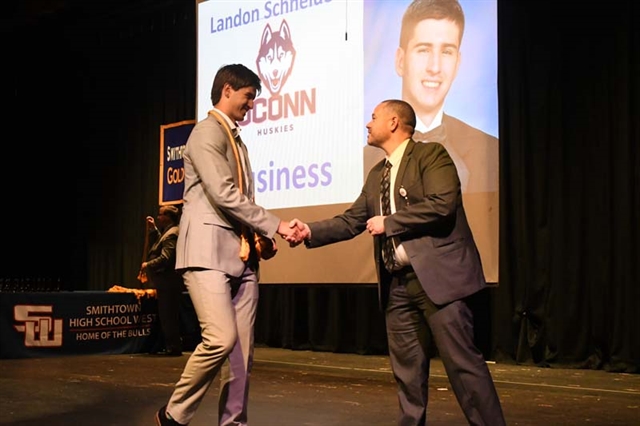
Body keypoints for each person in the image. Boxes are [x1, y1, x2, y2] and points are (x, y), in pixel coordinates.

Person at [289, 99, 505, 426]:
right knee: (407, 372)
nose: (367, 124)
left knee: (463, 365)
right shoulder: (378, 173)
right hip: (398, 286)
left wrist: (389, 222)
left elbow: (442, 204)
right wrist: (309, 231)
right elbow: (352, 220)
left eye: (373, 117)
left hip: (439, 281)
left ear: (393, 122)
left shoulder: (431, 155)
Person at [154, 64, 300, 426]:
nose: (252, 105)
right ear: (228, 90)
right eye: (249, 96)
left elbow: (239, 198)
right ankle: (173, 414)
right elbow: (223, 193)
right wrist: (277, 224)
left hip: (242, 257)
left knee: (241, 353)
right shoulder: (206, 133)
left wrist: (260, 236)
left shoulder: (238, 141)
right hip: (207, 253)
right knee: (220, 338)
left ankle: (233, 423)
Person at [140, 204, 184, 357]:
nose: (158, 218)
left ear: (168, 217)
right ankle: (170, 345)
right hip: (165, 283)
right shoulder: (168, 232)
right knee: (166, 314)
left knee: (168, 315)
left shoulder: (173, 233)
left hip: (169, 282)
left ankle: (173, 347)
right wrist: (153, 229)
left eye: (160, 215)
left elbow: (166, 258)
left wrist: (148, 264)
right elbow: (160, 242)